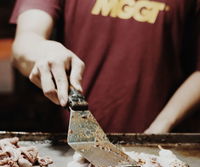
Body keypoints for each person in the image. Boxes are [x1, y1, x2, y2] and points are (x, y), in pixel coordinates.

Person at [10, 0, 200, 135]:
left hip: (161, 141)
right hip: (72, 139)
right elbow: (25, 43)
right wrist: (42, 49)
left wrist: (163, 125)